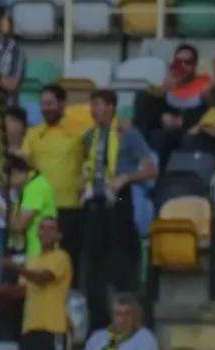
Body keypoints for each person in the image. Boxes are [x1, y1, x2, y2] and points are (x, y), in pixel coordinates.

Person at [79, 90, 155, 331]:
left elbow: (150, 169)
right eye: (92, 105)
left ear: (111, 107)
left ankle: (133, 323)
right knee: (94, 269)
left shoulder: (128, 134)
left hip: (120, 200)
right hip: (94, 202)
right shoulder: (90, 136)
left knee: (122, 265)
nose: (94, 110)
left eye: (98, 105)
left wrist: (126, 177)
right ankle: (98, 326)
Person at [9, 216, 72, 350]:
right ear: (37, 233)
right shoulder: (32, 260)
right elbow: (23, 291)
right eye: (42, 228)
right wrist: (5, 290)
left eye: (51, 228)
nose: (46, 232)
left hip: (53, 330)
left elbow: (45, 278)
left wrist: (17, 268)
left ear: (58, 235)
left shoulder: (61, 257)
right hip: (29, 330)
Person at [21, 84, 85, 268]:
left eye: (50, 103)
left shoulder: (78, 132)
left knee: (69, 259)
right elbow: (24, 164)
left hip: (70, 206)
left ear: (62, 104)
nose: (45, 108)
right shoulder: (33, 134)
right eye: (42, 104)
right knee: (41, 259)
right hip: (41, 209)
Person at [5, 154, 57, 260]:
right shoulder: (32, 185)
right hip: (34, 251)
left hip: (39, 252)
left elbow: (19, 225)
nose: (8, 184)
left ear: (15, 173)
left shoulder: (35, 187)